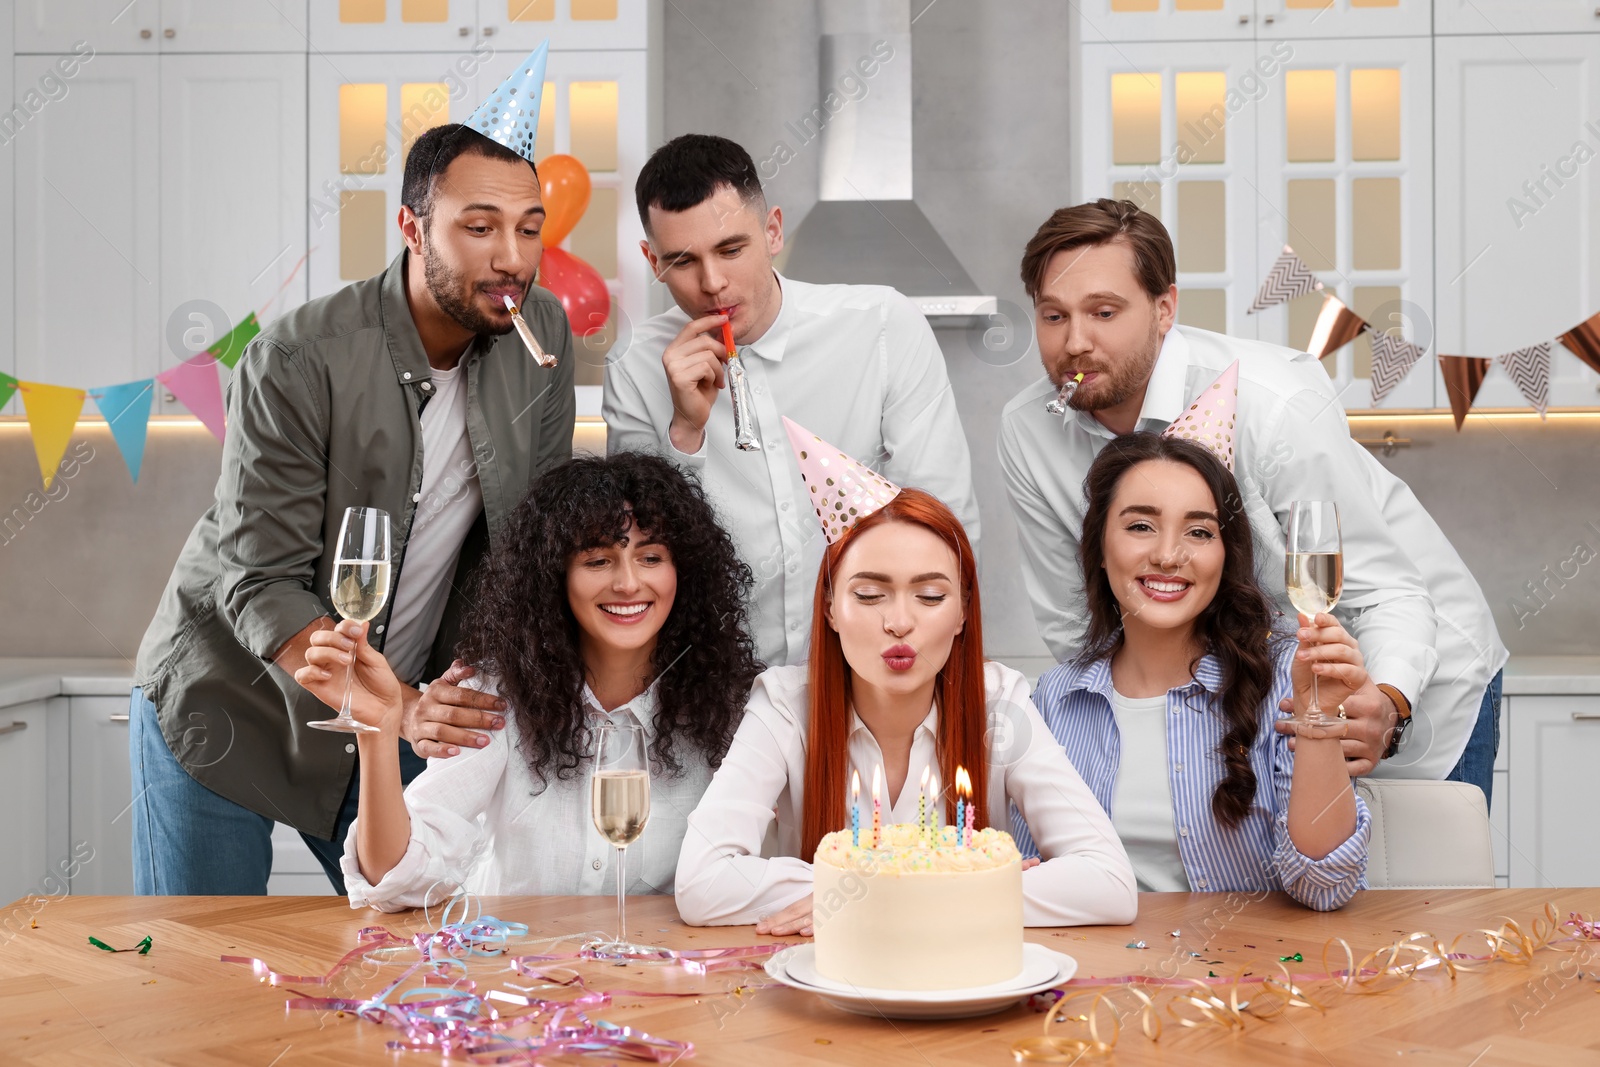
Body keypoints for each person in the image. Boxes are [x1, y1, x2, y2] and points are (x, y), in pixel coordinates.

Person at [130, 121, 576, 895]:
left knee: (400, 960)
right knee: (201, 980)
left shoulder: (544, 341)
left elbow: (533, 548)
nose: (512, 256)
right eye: (479, 227)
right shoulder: (297, 358)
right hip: (230, 701)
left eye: (529, 229)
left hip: (389, 714)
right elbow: (258, 581)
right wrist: (399, 707)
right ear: (411, 227)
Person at [998, 199, 1506, 802]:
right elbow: (1078, 619)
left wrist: (1388, 703)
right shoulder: (1027, 430)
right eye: (1053, 316)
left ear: (1165, 309)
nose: (1074, 342)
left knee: (1411, 890)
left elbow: (1387, 593)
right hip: (1250, 710)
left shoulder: (1275, 406)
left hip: (1411, 674)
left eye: (1103, 312)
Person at [675, 424, 1135, 933]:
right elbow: (701, 885)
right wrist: (967, 886)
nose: (898, 621)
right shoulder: (784, 706)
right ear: (829, 608)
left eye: (931, 597)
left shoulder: (999, 704)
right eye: (869, 596)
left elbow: (1109, 883)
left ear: (962, 613)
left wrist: (873, 893)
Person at [293, 453, 762, 908]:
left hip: (662, 978)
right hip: (511, 975)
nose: (627, 583)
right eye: (598, 561)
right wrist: (377, 730)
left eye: (651, 557)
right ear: (555, 576)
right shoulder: (497, 695)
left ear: (685, 571)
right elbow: (396, 880)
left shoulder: (733, 710)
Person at [603, 134, 980, 667]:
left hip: (868, 671)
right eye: (682, 262)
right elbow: (636, 565)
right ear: (652, 260)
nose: (713, 283)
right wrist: (684, 432)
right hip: (711, 684)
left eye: (732, 249)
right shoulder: (634, 367)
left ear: (773, 230)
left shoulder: (882, 328)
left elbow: (945, 519)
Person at [1013, 432, 1369, 910]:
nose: (1168, 555)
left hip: (1250, 976)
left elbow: (1325, 889)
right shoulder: (1053, 701)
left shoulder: (1287, 679)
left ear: (1225, 556)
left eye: (1199, 532)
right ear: (1099, 546)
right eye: (1140, 525)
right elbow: (1028, 877)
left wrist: (1319, 721)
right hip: (1100, 975)